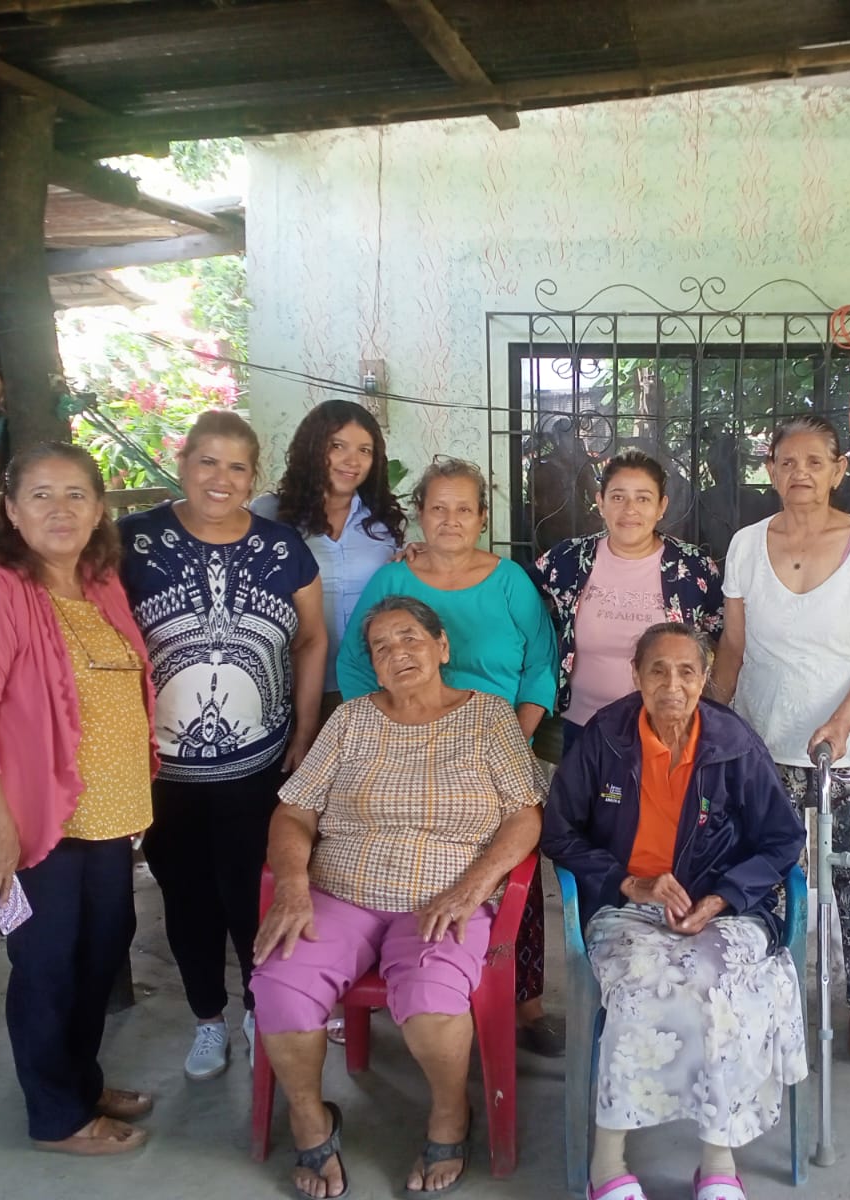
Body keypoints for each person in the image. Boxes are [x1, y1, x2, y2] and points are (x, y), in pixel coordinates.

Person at [253, 596, 546, 1198]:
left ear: (442, 646)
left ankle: (450, 1113)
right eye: (381, 647)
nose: (398, 653)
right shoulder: (350, 720)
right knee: (280, 983)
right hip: (342, 891)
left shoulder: (489, 717)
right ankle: (309, 1119)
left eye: (410, 637)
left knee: (433, 1000)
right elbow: (295, 811)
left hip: (445, 894)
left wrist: (473, 889)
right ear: (373, 667)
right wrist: (291, 886)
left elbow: (524, 815)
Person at [0, 442, 157, 1155]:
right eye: (41, 495)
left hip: (106, 818)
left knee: (99, 953)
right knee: (47, 966)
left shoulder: (99, 586)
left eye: (75, 495)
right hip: (32, 827)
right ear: (11, 510)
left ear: (98, 510)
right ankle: (55, 1116)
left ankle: (78, 1082)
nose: (60, 510)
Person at [543, 623, 808, 1200]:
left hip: (725, 911)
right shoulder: (604, 738)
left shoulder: (733, 743)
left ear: (704, 678)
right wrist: (628, 882)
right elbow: (559, 833)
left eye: (687, 672)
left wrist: (722, 896)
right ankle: (607, 1164)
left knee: (721, 985)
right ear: (636, 676)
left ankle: (717, 1162)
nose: (672, 684)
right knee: (642, 984)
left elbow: (783, 840)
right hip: (626, 908)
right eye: (657, 670)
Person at [118, 410, 327, 1080]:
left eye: (237, 466)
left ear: (253, 477)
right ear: (182, 463)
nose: (221, 478)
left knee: (250, 894)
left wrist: (304, 731)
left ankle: (260, 1006)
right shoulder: (132, 541)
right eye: (207, 461)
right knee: (186, 899)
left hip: (258, 765)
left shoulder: (282, 547)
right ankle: (207, 1019)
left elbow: (312, 637)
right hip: (163, 772)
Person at [337, 456, 563, 1055]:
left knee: (514, 860)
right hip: (402, 752)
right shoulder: (393, 580)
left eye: (464, 508)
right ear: (420, 515)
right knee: (401, 853)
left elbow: (542, 664)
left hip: (496, 749)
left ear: (483, 517)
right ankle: (413, 972)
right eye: (438, 507)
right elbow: (355, 664)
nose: (451, 520)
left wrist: (513, 734)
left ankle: (524, 1001)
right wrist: (388, 734)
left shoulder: (510, 581)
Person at [712, 413, 850, 1063]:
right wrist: (711, 722)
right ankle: (771, 999)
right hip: (761, 743)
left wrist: (843, 722)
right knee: (763, 877)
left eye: (815, 462)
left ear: (839, 470)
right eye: (787, 462)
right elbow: (733, 646)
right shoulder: (746, 544)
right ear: (770, 470)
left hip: (848, 746)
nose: (801, 473)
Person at [536, 447, 723, 755]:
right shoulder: (570, 559)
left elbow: (724, 637)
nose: (630, 509)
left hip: (667, 731)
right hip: (583, 729)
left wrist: (711, 707)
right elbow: (517, 595)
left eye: (643, 498)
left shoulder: (692, 567)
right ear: (600, 502)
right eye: (618, 497)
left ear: (661, 506)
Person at [251, 399, 405, 723]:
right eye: (338, 446)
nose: (352, 461)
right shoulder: (270, 515)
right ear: (312, 447)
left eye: (365, 450)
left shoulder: (384, 522)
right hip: (286, 686)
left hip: (368, 686)